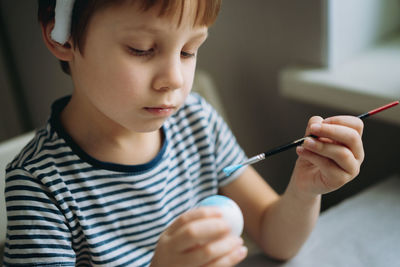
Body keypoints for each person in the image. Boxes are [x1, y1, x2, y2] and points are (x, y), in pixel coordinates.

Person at [3, 0, 365, 266]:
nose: (175, 80)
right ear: (60, 36)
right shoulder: (38, 186)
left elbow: (277, 238)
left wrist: (305, 189)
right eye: (141, 49)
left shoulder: (196, 122)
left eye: (190, 51)